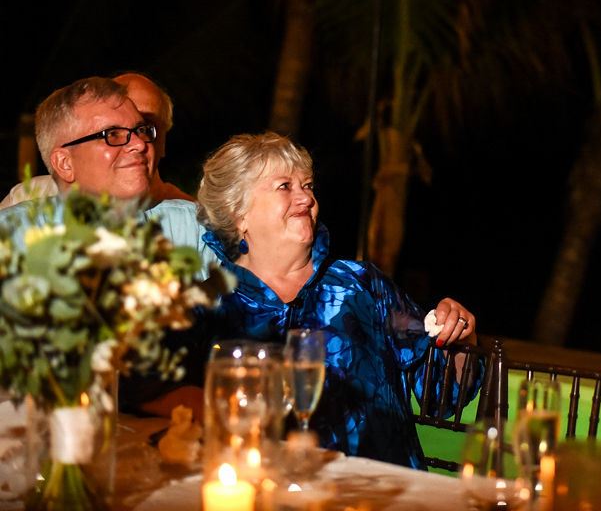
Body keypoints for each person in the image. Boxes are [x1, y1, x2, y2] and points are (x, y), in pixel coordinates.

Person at [190, 132, 481, 469]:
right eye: (285, 186)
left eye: (308, 186)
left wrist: (459, 335)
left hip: (379, 493)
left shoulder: (359, 284)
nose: (305, 198)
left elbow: (443, 398)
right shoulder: (207, 306)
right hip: (260, 489)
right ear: (237, 211)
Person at [0, 77, 208, 259]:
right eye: (112, 134)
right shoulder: (12, 237)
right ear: (65, 163)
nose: (140, 143)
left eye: (143, 129)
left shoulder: (197, 233)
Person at [0, 72, 192, 209]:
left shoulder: (193, 225)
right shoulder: (30, 198)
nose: (135, 141)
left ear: (164, 140)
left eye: (144, 126)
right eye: (113, 131)